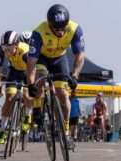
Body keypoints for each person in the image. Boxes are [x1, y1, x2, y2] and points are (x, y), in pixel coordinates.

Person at [26, 4, 85, 142]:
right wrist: (30, 84)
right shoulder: (38, 32)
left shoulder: (74, 29)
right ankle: (37, 108)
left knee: (63, 95)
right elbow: (31, 62)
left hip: (60, 58)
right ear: (49, 24)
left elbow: (80, 56)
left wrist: (75, 75)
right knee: (40, 77)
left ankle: (66, 131)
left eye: (62, 28)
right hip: (42, 58)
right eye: (56, 29)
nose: (59, 32)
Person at [0, 30, 33, 144]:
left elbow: (33, 69)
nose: (7, 51)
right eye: (4, 48)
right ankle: (3, 131)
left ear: (16, 45)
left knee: (27, 95)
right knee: (9, 98)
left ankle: (27, 117)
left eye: (9, 49)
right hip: (14, 72)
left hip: (28, 71)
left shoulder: (25, 51)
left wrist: (31, 84)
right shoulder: (1, 49)